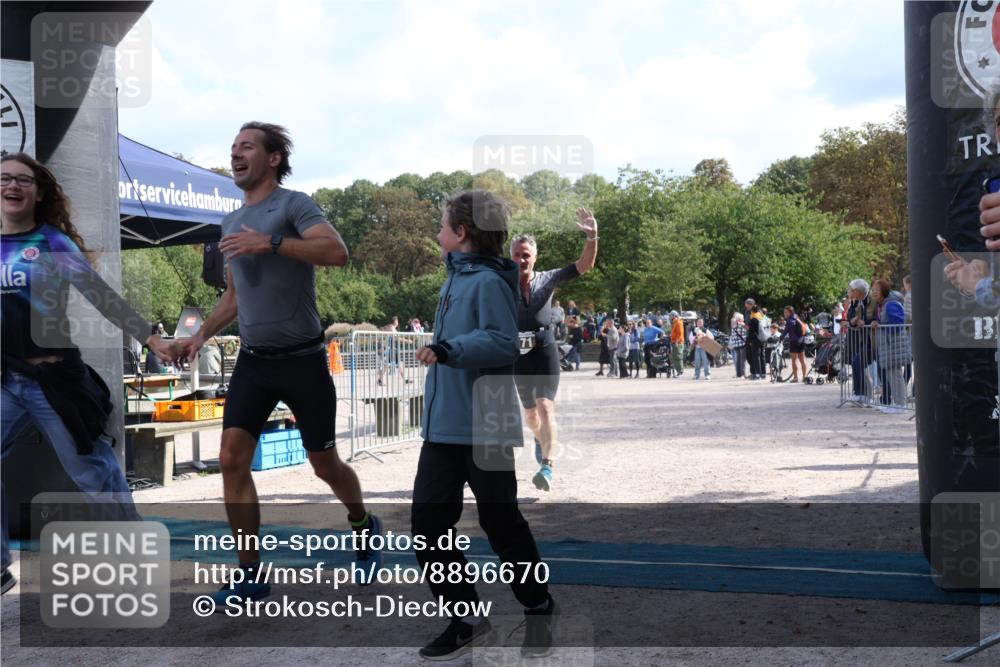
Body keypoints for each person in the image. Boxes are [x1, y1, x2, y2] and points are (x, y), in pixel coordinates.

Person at [179, 122, 382, 607]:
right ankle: (250, 574)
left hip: (304, 361)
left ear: (272, 158)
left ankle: (363, 523)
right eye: (232, 148)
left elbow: (337, 252)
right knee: (230, 458)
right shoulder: (229, 223)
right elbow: (235, 295)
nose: (235, 154)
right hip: (254, 361)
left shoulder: (294, 205)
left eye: (246, 146)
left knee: (323, 463)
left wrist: (270, 244)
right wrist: (199, 335)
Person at [1, 153, 175, 594]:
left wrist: (151, 338)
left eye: (23, 180)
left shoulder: (54, 244)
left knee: (92, 471)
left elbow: (101, 297)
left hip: (52, 381)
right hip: (5, 381)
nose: (13, 186)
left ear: (39, 193)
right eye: (4, 179)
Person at [412, 189, 556, 660]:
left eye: (442, 225)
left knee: (500, 522)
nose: (437, 233)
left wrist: (449, 351)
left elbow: (499, 343)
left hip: (486, 420)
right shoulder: (457, 277)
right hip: (445, 427)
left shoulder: (491, 282)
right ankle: (467, 618)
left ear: (462, 233)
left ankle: (538, 602)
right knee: (429, 526)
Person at [510, 209, 597, 492]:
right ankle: (540, 440)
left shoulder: (548, 278)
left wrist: (592, 237)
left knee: (546, 408)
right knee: (531, 416)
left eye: (526, 255)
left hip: (545, 350)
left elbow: (584, 265)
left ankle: (547, 466)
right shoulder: (500, 284)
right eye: (517, 255)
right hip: (518, 355)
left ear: (535, 257)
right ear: (511, 257)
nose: (521, 259)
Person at [870, 278, 909, 413]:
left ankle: (901, 405)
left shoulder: (891, 304)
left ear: (884, 290)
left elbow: (897, 323)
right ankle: (897, 404)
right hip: (888, 345)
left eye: (877, 289)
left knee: (896, 374)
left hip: (893, 344)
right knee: (892, 375)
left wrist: (880, 326)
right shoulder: (882, 304)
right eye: (873, 289)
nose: (874, 292)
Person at [845, 278, 876, 403]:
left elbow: (876, 318)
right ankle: (861, 394)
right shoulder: (859, 302)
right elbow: (856, 319)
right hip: (866, 340)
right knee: (857, 362)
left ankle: (865, 395)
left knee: (859, 362)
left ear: (857, 291)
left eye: (851, 290)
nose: (849, 292)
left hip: (875, 341)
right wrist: (853, 322)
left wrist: (865, 322)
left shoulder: (871, 301)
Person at [376, 315, 410, 387]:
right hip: (392, 350)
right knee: (387, 366)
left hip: (394, 349)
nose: (398, 322)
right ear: (395, 321)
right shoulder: (392, 328)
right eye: (397, 320)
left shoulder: (392, 328)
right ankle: (379, 380)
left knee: (398, 365)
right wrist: (407, 341)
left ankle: (405, 380)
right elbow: (396, 338)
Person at [780, 306, 807, 383]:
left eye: (786, 312)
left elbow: (785, 332)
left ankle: (795, 378)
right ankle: (804, 377)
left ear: (790, 312)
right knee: (802, 360)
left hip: (794, 342)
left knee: (794, 361)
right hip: (801, 340)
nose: (784, 314)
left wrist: (780, 339)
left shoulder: (789, 321)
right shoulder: (797, 318)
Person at [746, 305, 765, 380]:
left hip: (755, 339)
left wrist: (750, 340)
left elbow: (751, 331)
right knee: (762, 356)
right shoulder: (762, 318)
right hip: (763, 338)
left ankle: (757, 374)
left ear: (752, 311)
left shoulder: (753, 319)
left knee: (756, 356)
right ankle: (763, 373)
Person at [730, 313, 748, 378]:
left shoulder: (733, 326)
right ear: (740, 319)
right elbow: (746, 331)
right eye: (742, 318)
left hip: (735, 344)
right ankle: (743, 373)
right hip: (742, 344)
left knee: (738, 359)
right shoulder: (741, 325)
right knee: (742, 360)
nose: (743, 319)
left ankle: (738, 373)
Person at [669, 311, 686, 376]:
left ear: (674, 315)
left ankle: (680, 372)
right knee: (675, 357)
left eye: (671, 315)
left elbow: (680, 334)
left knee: (678, 357)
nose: (670, 317)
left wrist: (676, 341)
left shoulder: (678, 322)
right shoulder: (674, 322)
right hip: (674, 342)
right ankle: (678, 371)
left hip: (678, 342)